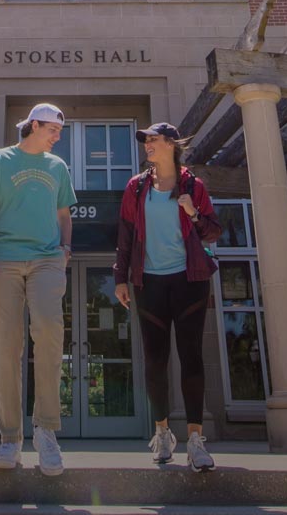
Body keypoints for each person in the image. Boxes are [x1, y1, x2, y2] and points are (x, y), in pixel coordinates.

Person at [0, 103, 77, 476]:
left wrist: (66, 249)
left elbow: (64, 213)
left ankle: (46, 432)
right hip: (4, 258)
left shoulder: (58, 167)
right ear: (34, 125)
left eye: (59, 131)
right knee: (5, 345)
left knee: (49, 330)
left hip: (48, 259)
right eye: (53, 129)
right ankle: (10, 438)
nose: (57, 136)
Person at [113, 122, 223, 471]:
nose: (147, 144)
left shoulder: (194, 185)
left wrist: (191, 210)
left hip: (190, 280)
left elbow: (213, 231)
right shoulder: (136, 187)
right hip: (150, 283)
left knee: (191, 357)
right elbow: (126, 235)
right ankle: (162, 433)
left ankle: (195, 440)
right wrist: (120, 278)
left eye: (154, 139)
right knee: (155, 361)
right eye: (145, 140)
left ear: (172, 144)